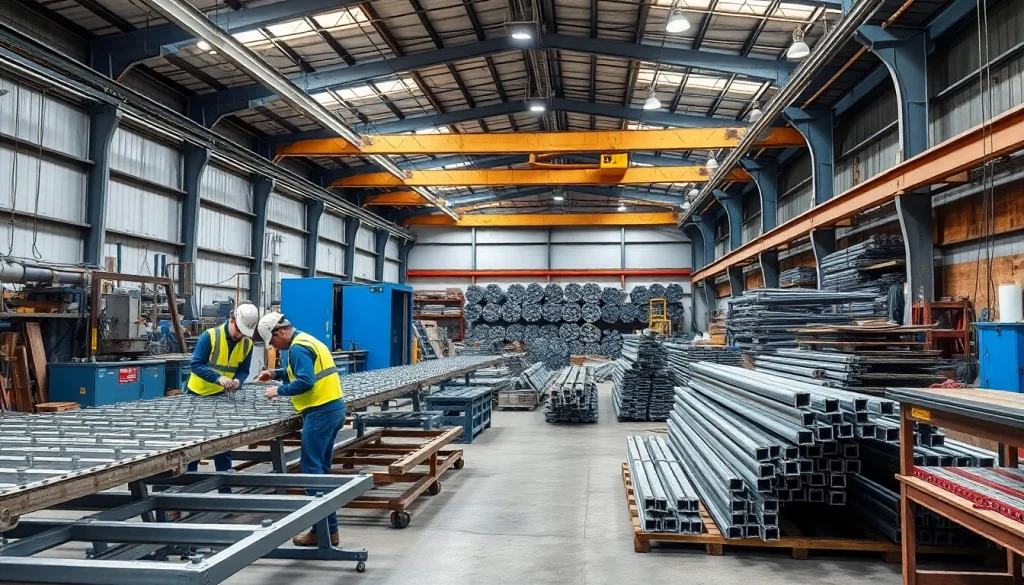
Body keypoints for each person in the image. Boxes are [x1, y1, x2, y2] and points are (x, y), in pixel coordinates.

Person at [257, 312, 345, 547]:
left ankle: (324, 531)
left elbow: (305, 381)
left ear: (281, 333)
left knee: (311, 472)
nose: (273, 347)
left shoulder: (297, 348)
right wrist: (274, 373)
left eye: (273, 341)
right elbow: (298, 371)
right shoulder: (307, 340)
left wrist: (278, 391)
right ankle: (329, 531)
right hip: (333, 408)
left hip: (320, 412)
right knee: (320, 470)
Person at [185, 301, 260, 476]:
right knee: (194, 442)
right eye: (239, 330)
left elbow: (243, 371)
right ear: (232, 319)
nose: (240, 335)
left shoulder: (247, 344)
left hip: (223, 397)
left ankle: (225, 484)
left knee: (223, 442)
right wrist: (218, 378)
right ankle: (189, 481)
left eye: (244, 332)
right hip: (199, 395)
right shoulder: (209, 336)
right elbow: (196, 365)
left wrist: (238, 382)